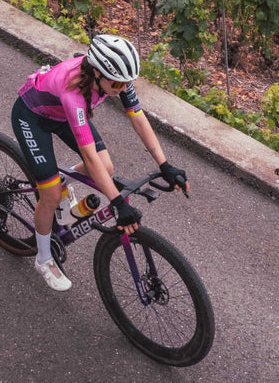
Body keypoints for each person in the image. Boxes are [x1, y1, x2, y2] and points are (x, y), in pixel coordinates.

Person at [12, 33, 189, 292]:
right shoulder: (74, 92)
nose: (122, 89)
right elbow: (89, 157)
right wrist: (117, 201)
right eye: (117, 84)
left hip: (61, 117)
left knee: (106, 169)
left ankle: (60, 182)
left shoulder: (115, 79)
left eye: (126, 83)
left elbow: (138, 119)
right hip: (32, 117)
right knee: (49, 195)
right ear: (97, 74)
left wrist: (165, 165)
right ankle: (43, 258)